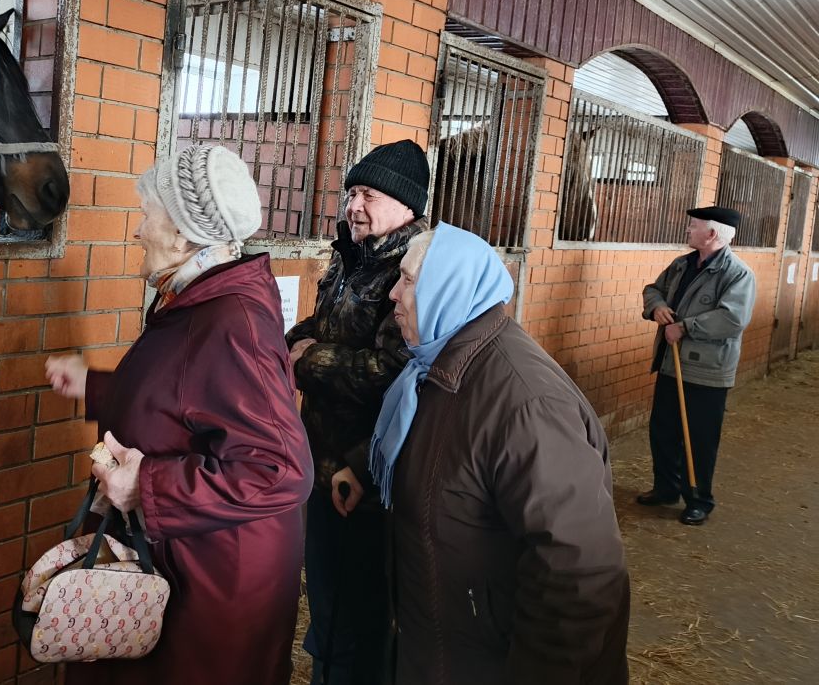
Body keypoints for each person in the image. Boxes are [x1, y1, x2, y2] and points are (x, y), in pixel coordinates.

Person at [44, 144, 313, 685]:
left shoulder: (230, 322)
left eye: (147, 216)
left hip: (216, 586)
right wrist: (96, 388)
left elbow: (280, 468)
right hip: (196, 561)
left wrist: (148, 486)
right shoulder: (200, 299)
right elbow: (185, 393)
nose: (137, 230)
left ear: (183, 236)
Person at [373, 223, 630, 684]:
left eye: (408, 280)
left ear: (448, 289)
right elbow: (434, 446)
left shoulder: (527, 403)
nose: (394, 292)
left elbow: (580, 571)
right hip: (445, 647)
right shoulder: (439, 365)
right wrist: (360, 465)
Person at [285, 139, 430, 684]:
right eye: (351, 192)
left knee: (359, 608)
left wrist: (309, 360)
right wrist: (285, 343)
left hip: (368, 470)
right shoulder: (351, 256)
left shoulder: (412, 270)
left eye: (368, 194)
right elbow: (319, 326)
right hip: (323, 461)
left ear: (406, 205)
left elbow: (398, 369)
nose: (354, 205)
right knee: (327, 596)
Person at [639, 205, 755, 525]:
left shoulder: (737, 273)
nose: (688, 231)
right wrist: (658, 307)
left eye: (693, 227)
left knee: (699, 438)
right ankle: (665, 488)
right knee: (663, 430)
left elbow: (733, 318)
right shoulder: (681, 265)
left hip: (706, 372)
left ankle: (699, 500)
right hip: (670, 364)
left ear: (712, 233)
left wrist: (686, 327)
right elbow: (653, 290)